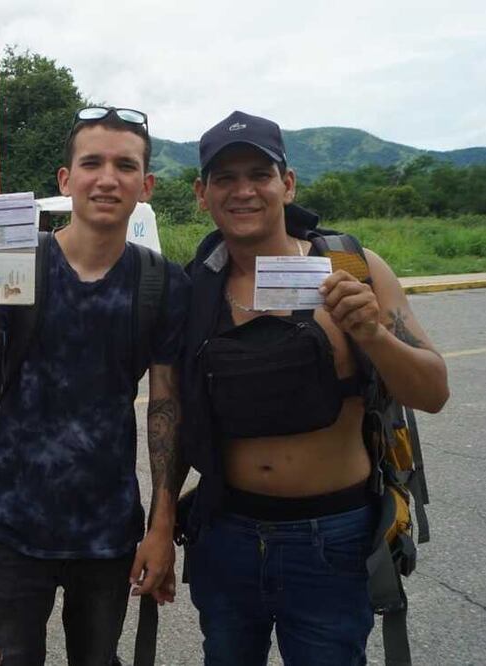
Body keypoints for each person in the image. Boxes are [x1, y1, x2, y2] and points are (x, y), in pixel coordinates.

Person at [179, 110, 449, 665]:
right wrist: (161, 528)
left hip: (333, 541)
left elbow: (434, 391)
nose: (244, 190)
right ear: (202, 194)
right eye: (225, 178)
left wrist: (373, 333)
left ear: (288, 182)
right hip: (226, 536)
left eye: (260, 173)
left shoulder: (352, 265)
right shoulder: (194, 286)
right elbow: (174, 410)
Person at [0, 106, 190, 665]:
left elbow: (166, 408)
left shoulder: (162, 283)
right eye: (92, 162)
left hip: (107, 531)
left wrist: (161, 525)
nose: (107, 178)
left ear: (145, 185)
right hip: (14, 525)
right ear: (65, 178)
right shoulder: (14, 262)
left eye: (125, 166)